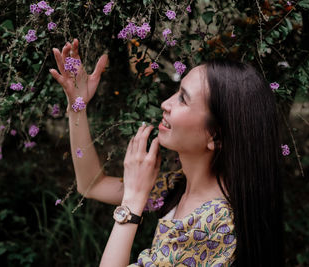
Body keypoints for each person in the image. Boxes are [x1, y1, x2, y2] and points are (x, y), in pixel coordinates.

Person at [50, 39, 283, 267]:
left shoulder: (211, 225)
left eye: (183, 99)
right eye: (176, 92)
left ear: (215, 136)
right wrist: (77, 107)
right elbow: (92, 185)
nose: (165, 103)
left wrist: (132, 201)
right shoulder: (178, 184)